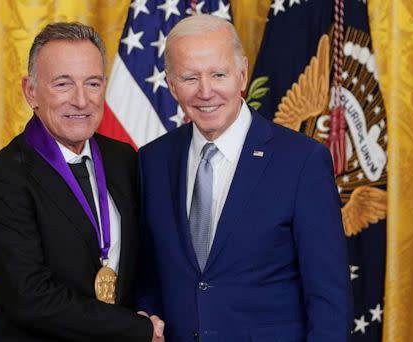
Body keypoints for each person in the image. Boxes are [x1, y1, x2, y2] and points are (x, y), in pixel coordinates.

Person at [136, 15, 352, 341]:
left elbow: (329, 300)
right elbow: (149, 274)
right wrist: (145, 318)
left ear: (243, 75)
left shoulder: (302, 161)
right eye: (190, 77)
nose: (205, 91)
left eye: (218, 74)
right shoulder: (152, 160)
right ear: (171, 84)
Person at [0, 22, 164, 341]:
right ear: (30, 91)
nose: (81, 100)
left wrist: (151, 313)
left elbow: (145, 262)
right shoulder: (1, 179)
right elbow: (31, 299)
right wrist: (137, 329)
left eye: (92, 83)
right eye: (63, 84)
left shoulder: (124, 159)